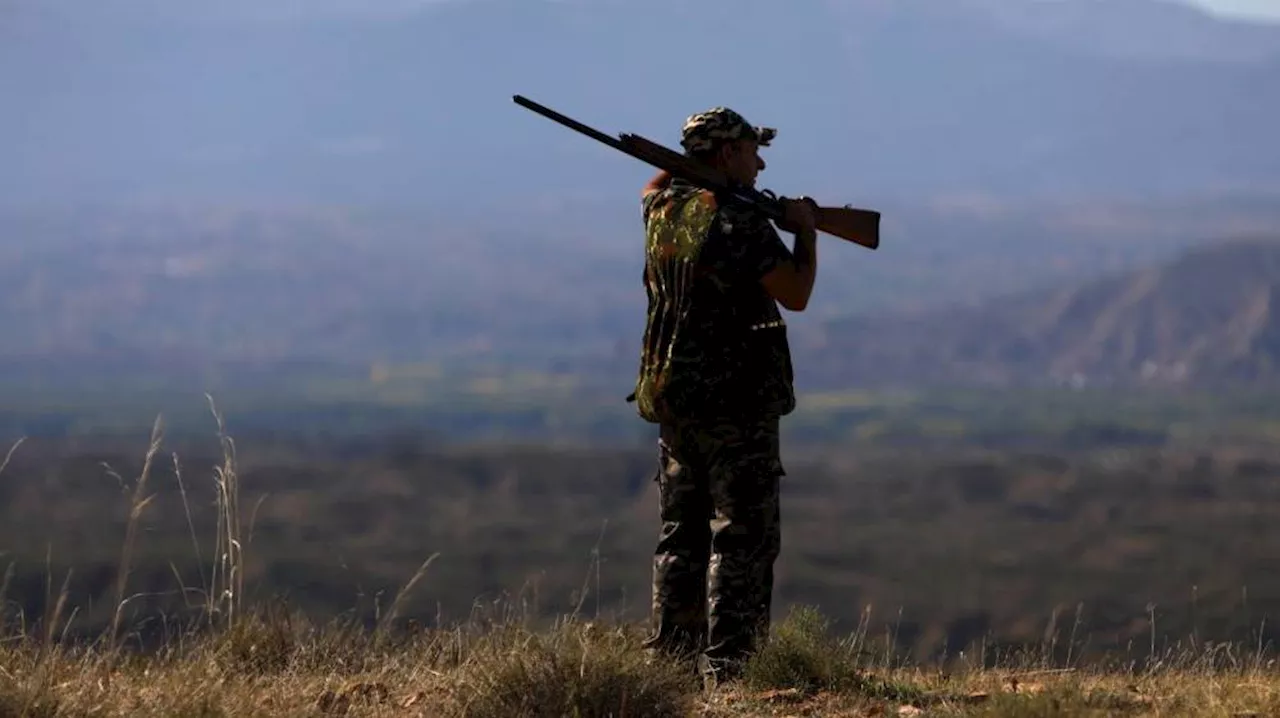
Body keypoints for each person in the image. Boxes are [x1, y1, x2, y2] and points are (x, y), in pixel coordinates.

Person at [628, 106, 819, 689]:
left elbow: (651, 183)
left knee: (679, 536)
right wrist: (805, 228)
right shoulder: (737, 219)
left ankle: (672, 669)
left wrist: (683, 167)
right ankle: (733, 677)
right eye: (748, 151)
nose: (759, 163)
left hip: (675, 397)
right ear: (724, 155)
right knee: (742, 538)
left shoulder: (661, 210)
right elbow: (797, 293)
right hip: (737, 402)